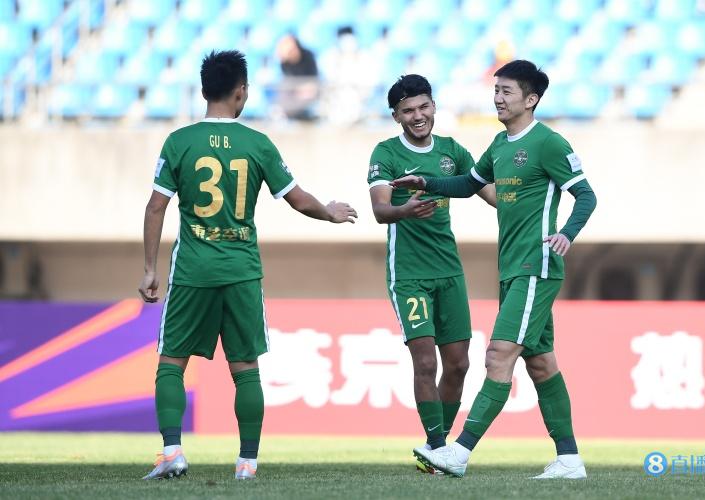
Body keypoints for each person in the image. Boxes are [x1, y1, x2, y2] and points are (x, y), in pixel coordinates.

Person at [138, 50, 357, 481]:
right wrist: (329, 212)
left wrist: (149, 269)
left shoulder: (179, 142)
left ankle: (172, 452)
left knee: (171, 363)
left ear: (205, 90)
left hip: (193, 270)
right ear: (242, 91)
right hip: (241, 270)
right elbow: (297, 199)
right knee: (245, 369)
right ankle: (247, 464)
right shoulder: (258, 144)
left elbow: (155, 208)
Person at [393, 60, 597, 479]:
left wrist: (566, 234)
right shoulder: (500, 144)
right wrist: (427, 182)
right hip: (512, 269)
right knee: (540, 364)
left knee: (498, 354)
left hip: (536, 266)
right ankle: (569, 459)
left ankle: (459, 452)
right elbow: (469, 184)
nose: (498, 98)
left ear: (531, 99)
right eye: (496, 90)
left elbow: (586, 196)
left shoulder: (549, 143)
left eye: (506, 91)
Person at [367, 74, 496, 474]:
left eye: (424, 106)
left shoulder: (452, 151)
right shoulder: (386, 153)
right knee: (425, 362)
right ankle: (439, 448)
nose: (418, 115)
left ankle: (432, 447)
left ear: (434, 106)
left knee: (459, 364)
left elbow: (491, 195)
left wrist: (526, 201)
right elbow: (380, 210)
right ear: (396, 116)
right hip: (408, 274)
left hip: (449, 270)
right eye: (408, 110)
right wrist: (404, 210)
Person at [275, 34, 319, 120]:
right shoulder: (285, 63)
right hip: (294, 92)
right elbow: (288, 82)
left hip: (308, 91)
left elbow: (313, 80)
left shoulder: (308, 56)